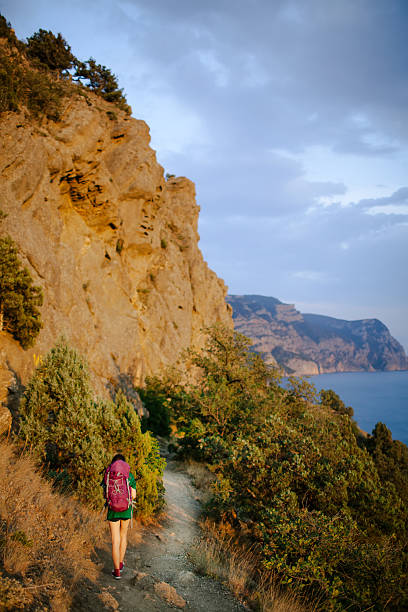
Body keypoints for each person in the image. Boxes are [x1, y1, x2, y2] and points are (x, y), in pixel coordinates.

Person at [104, 453, 136, 580]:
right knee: (123, 536)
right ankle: (121, 563)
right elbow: (133, 495)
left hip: (112, 511)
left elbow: (105, 493)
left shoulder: (108, 474)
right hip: (126, 510)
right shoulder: (129, 474)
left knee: (114, 540)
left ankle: (116, 570)